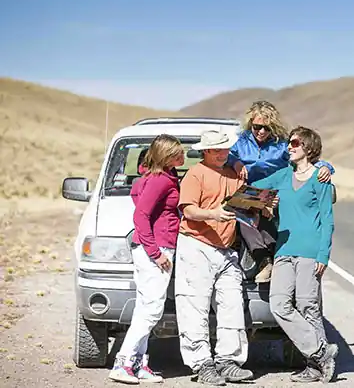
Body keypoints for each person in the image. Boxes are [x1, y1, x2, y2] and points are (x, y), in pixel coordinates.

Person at [252, 126, 337, 383]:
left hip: (310, 251)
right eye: (289, 143)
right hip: (284, 250)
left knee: (308, 305)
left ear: (308, 147)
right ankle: (321, 352)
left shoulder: (321, 179)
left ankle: (314, 367)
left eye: (295, 143)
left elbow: (327, 220)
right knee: (279, 305)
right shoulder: (282, 176)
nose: (290, 146)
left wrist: (323, 255)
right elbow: (252, 189)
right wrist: (264, 200)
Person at [173, 130, 253, 385]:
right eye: (216, 150)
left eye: (225, 149)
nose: (222, 154)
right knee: (194, 306)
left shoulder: (233, 174)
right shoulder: (195, 174)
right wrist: (213, 214)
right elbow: (188, 210)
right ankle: (202, 364)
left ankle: (229, 361)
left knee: (232, 306)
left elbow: (241, 205)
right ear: (205, 151)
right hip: (197, 246)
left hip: (227, 250)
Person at [225, 100, 335, 283]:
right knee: (241, 214)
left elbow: (307, 159)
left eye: (266, 128)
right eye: (257, 127)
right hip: (249, 192)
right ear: (250, 123)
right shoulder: (241, 142)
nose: (261, 132)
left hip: (275, 193)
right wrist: (235, 163)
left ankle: (280, 261)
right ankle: (263, 261)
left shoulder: (281, 145)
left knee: (274, 215)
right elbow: (224, 156)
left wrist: (326, 167)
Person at [109, 135, 185, 384]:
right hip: (156, 248)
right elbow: (141, 216)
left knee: (144, 307)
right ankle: (123, 362)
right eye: (177, 153)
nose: (182, 157)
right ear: (166, 156)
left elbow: (137, 196)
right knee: (152, 309)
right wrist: (156, 253)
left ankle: (139, 364)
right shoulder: (160, 180)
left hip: (151, 247)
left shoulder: (154, 178)